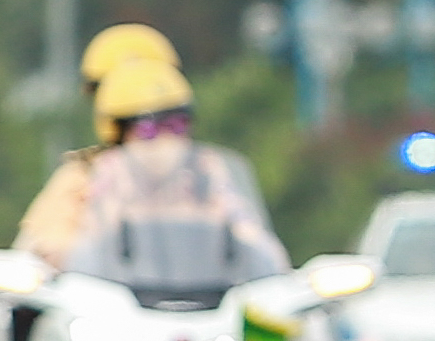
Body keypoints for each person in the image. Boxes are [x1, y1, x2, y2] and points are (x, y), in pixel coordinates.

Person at [43, 54, 288, 282]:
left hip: (206, 301)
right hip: (117, 307)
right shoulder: (99, 177)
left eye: (177, 125)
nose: (165, 140)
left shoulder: (208, 171)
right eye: (147, 130)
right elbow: (56, 247)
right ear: (117, 132)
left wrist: (271, 264)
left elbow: (248, 231)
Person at [13, 23, 183, 266]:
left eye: (173, 122)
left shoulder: (206, 173)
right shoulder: (83, 175)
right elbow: (41, 246)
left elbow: (247, 239)